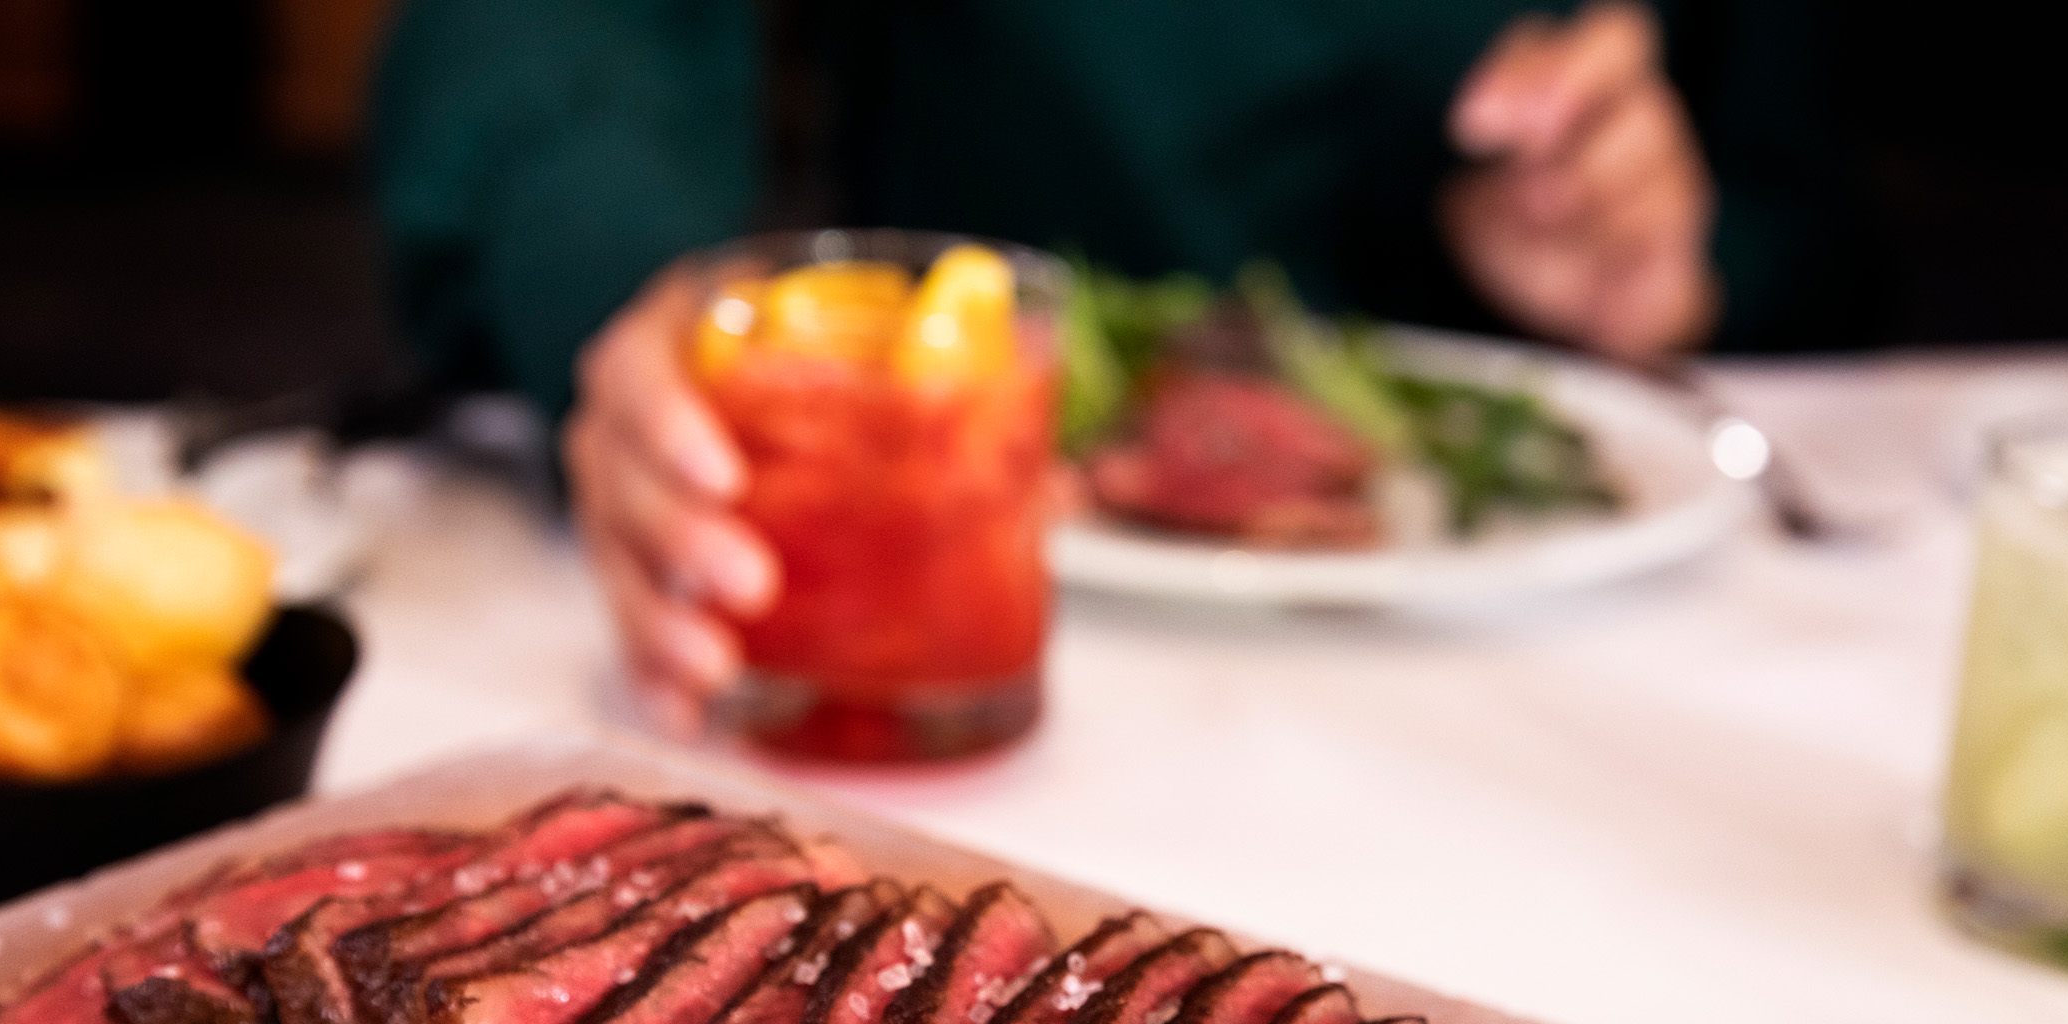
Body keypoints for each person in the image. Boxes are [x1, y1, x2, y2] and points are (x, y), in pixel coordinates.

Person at [375, 1, 1841, 733]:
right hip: (981, 580)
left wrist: (1672, 253)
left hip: (1564, 632)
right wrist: (617, 270)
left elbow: (1802, 199)